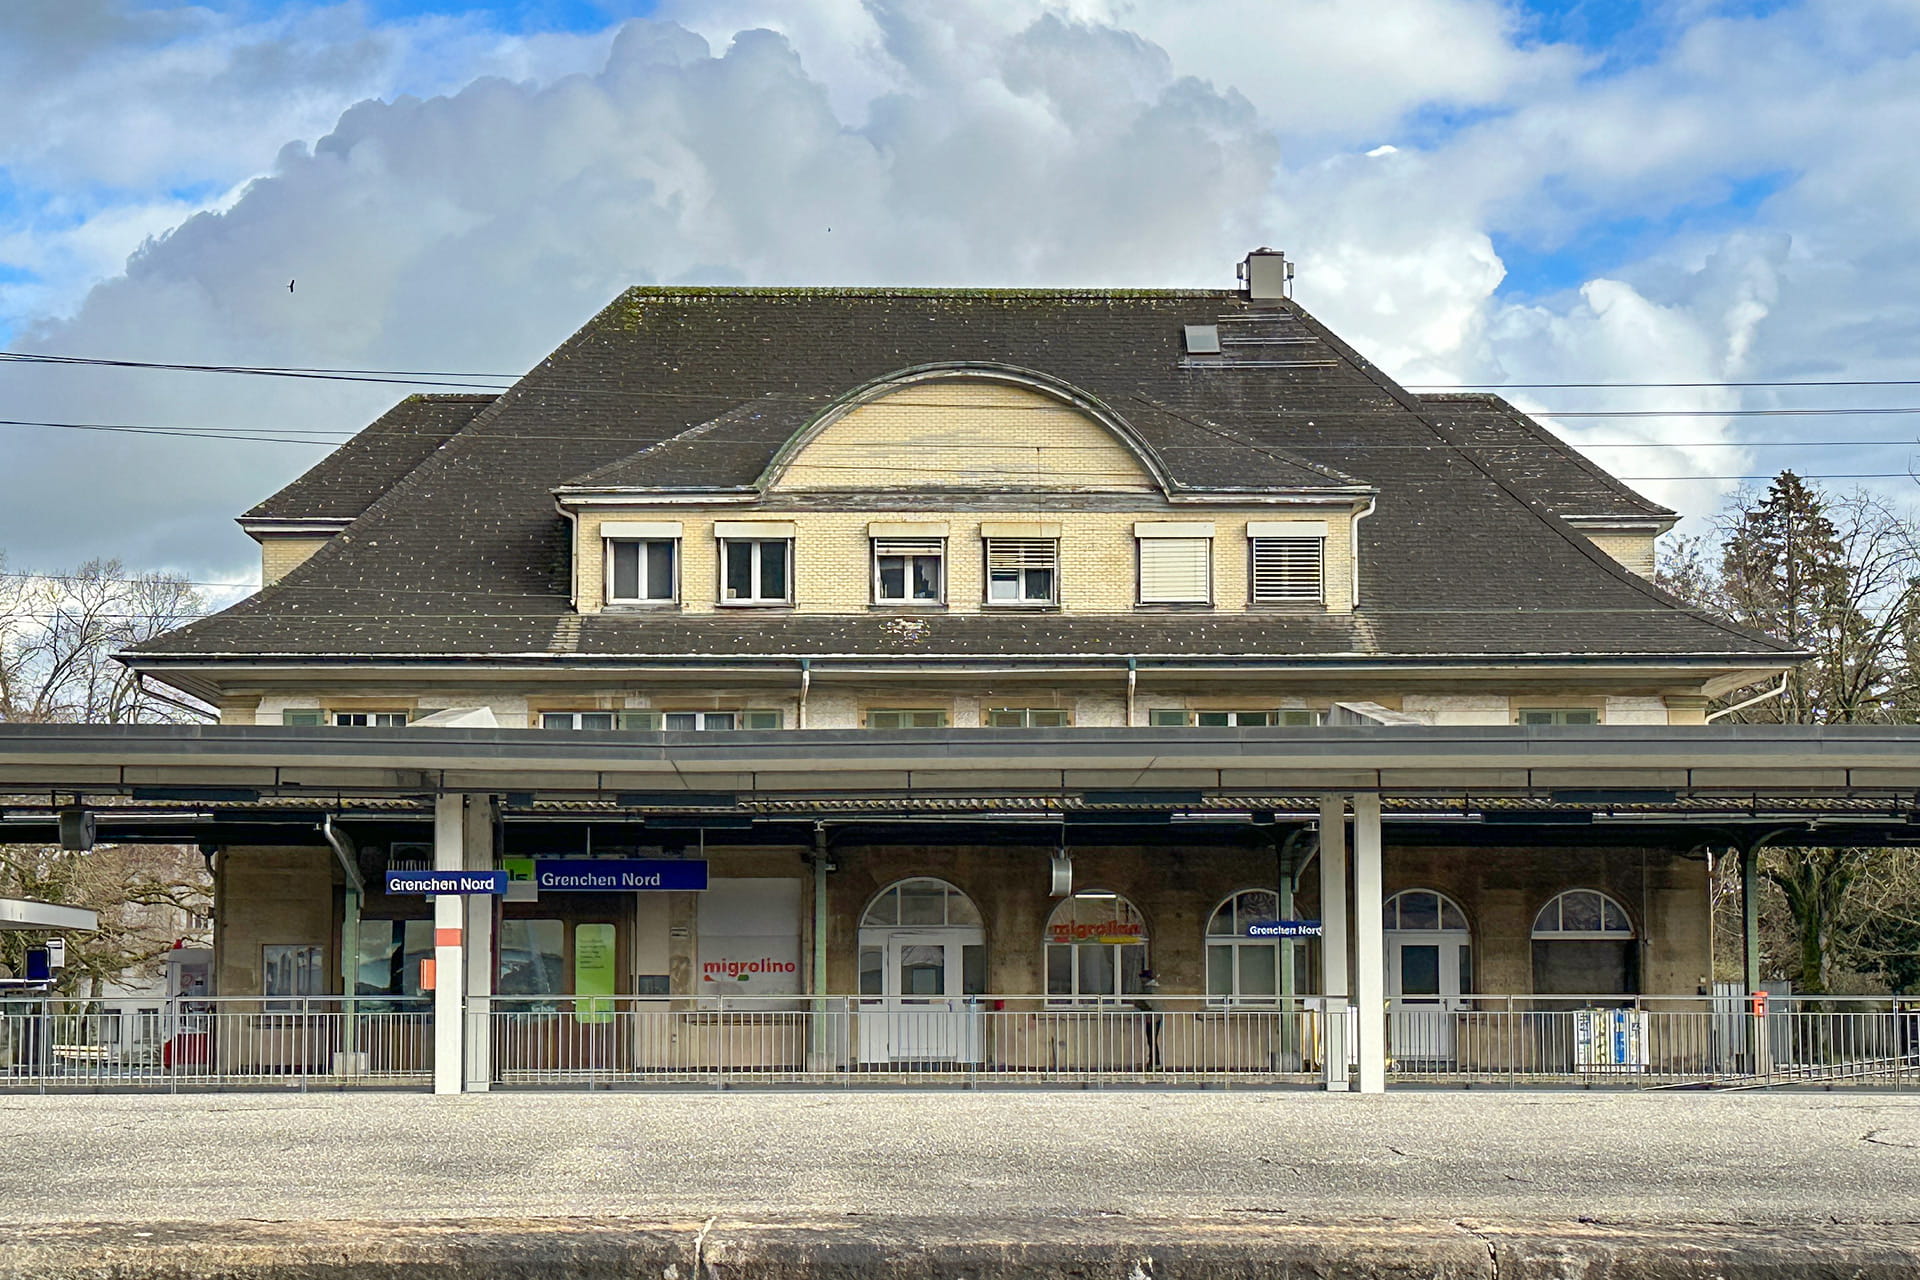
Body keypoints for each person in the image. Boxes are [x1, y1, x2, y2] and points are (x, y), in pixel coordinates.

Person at [1133, 969, 1163, 1070]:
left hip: (1152, 1017)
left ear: (1146, 978)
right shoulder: (1155, 987)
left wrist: (1137, 1002)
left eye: (1142, 977)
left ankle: (1155, 1063)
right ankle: (1154, 1062)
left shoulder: (1148, 989)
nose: (1141, 979)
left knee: (1151, 1040)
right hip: (1156, 1017)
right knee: (1152, 1040)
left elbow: (1145, 1003)